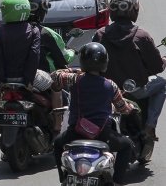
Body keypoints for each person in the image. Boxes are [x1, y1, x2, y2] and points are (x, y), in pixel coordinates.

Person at [93, 0, 166, 158]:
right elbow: (157, 67)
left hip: (106, 91)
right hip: (136, 90)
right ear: (134, 11)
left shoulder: (100, 34)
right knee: (162, 84)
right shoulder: (142, 36)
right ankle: (150, 126)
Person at [51, 42, 134, 186]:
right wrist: (130, 107)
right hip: (103, 134)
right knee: (127, 145)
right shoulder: (111, 85)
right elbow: (123, 108)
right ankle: (118, 182)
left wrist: (73, 70)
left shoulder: (75, 79)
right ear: (104, 63)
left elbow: (55, 76)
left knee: (57, 143)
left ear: (82, 61)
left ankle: (63, 179)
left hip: (76, 132)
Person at [25, 0, 76, 131]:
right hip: (39, 77)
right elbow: (62, 59)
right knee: (59, 89)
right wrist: (73, 52)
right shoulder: (45, 33)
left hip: (12, 75)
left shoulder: (8, 31)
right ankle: (58, 126)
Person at [0, 0, 40, 88]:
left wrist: (0, 81)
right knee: (54, 86)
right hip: (27, 80)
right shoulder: (34, 30)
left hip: (5, 80)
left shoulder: (0, 30)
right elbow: (34, 56)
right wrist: (29, 81)